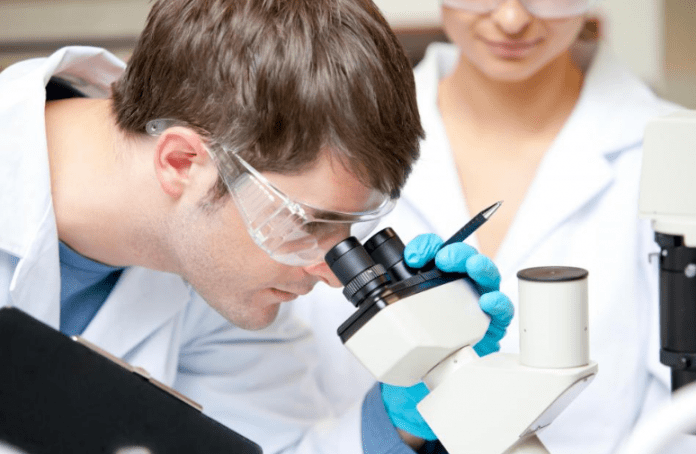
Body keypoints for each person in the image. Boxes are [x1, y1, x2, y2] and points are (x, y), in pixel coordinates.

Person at [0, 0, 513, 453]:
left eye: (349, 233)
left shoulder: (213, 272)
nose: (332, 274)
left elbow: (279, 445)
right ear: (181, 162)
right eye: (307, 222)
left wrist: (401, 422)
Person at [290, 0, 692, 453]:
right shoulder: (322, 143)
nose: (512, 19)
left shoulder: (677, 153)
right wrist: (396, 427)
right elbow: (278, 420)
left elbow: (684, 419)